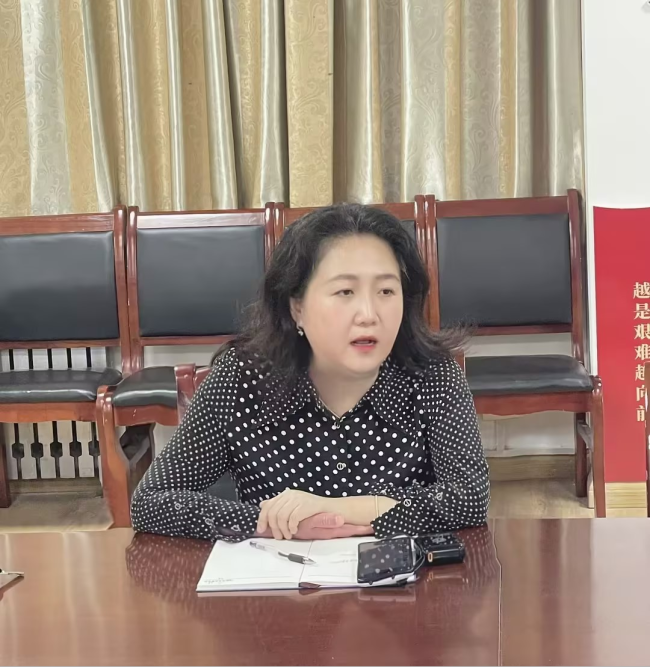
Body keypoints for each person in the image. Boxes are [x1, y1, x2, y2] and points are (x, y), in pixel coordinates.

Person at [131, 204, 489, 542]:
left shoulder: (432, 375)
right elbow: (150, 503)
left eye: (386, 290)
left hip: (401, 579)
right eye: (345, 291)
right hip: (278, 579)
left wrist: (338, 509)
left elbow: (469, 498)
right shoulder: (242, 378)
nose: (369, 314)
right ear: (297, 307)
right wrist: (270, 523)